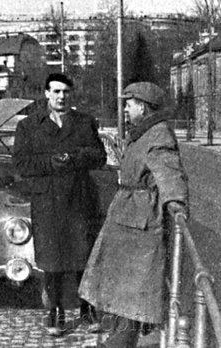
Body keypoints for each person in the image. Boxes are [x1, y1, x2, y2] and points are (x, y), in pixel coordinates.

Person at [78, 82, 189, 347]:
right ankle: (117, 338)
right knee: (120, 290)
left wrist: (176, 203)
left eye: (129, 103)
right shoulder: (144, 133)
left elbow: (170, 174)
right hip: (128, 218)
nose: (126, 109)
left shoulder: (159, 136)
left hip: (140, 224)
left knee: (133, 293)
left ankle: (119, 342)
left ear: (142, 106)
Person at [13, 73, 107, 336]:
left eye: (65, 92)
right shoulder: (29, 126)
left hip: (79, 200)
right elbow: (21, 164)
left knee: (82, 257)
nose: (61, 97)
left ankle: (87, 311)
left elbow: (99, 156)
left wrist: (74, 157)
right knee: (51, 261)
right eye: (55, 91)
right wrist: (52, 161)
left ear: (71, 94)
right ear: (46, 94)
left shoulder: (84, 123)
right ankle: (54, 313)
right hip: (47, 202)